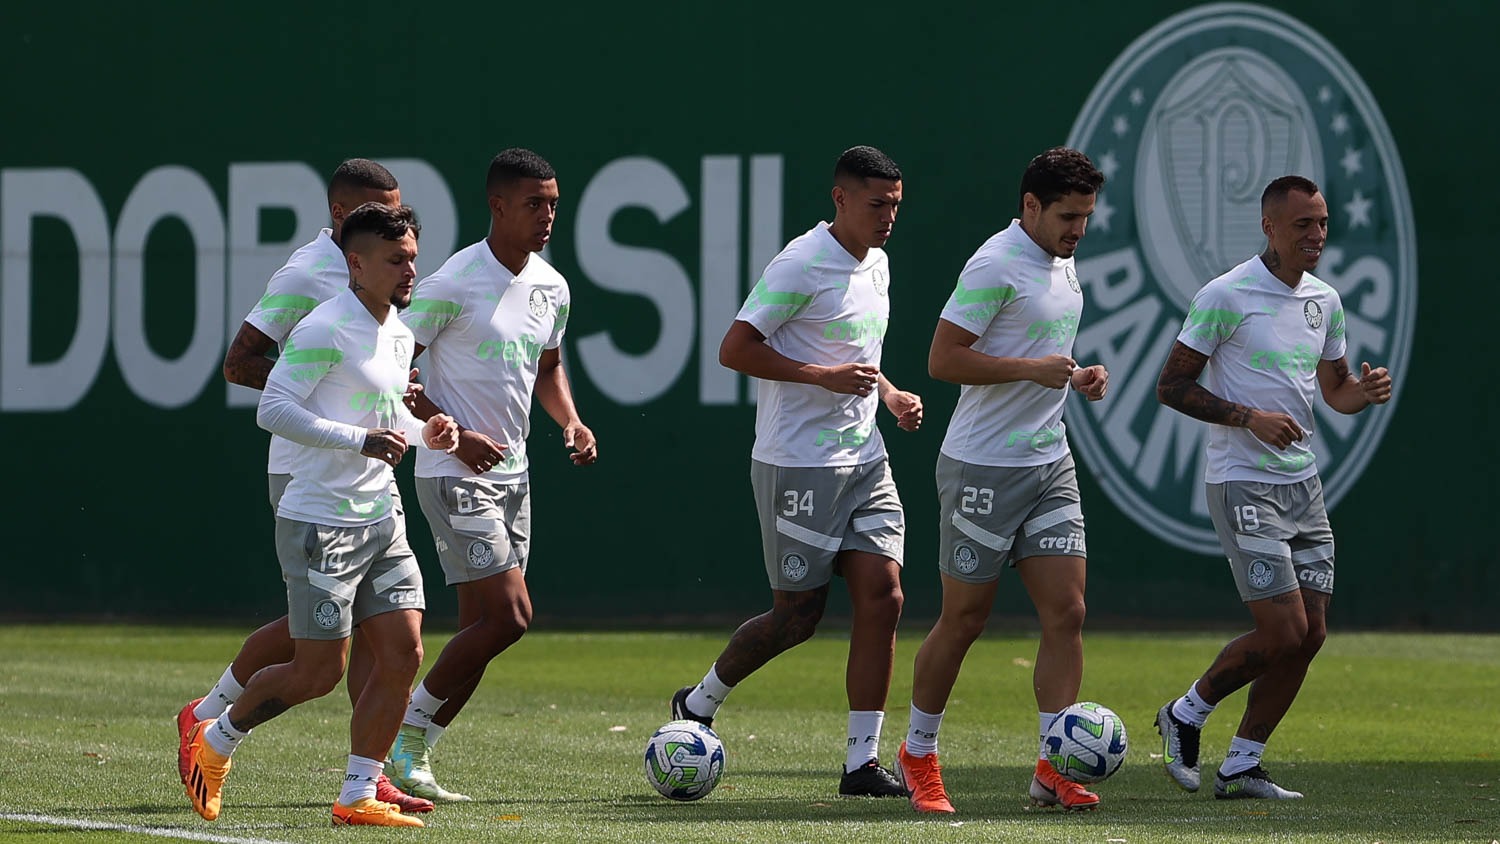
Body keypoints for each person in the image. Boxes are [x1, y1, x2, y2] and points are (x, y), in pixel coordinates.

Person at [182, 202, 459, 827]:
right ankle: (215, 739)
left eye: (413, 258)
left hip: (381, 517)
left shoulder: (397, 331)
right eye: (395, 260)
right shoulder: (323, 327)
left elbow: (384, 416)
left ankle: (358, 792)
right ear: (356, 264)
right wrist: (360, 441)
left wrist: (427, 432)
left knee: (403, 651)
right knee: (317, 672)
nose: (409, 270)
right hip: (320, 521)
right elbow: (273, 408)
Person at [670, 145, 924, 798]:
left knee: (885, 595)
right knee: (797, 617)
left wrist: (889, 394)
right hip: (799, 464)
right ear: (840, 198)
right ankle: (699, 701)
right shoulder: (801, 263)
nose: (888, 216)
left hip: (865, 458)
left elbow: (860, 353)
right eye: (877, 204)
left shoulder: (879, 263)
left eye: (896, 205)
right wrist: (822, 377)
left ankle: (861, 763)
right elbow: (735, 349)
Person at [1153, 175, 1393, 800]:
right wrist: (1247, 417)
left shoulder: (1325, 301)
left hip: (1303, 487)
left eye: (1322, 223)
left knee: (1311, 635)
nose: (1316, 235)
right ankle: (1186, 712)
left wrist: (1362, 394)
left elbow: (1335, 391)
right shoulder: (1225, 295)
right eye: (1302, 224)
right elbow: (1170, 387)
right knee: (1283, 631)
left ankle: (1242, 763)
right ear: (1269, 227)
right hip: (1243, 483)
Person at [894, 148, 1109, 814]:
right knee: (964, 619)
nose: (1078, 230)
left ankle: (1053, 766)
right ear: (1031, 207)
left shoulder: (1063, 261)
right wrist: (1029, 369)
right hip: (981, 467)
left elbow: (1041, 352)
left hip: (1049, 463)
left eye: (1086, 217)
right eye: (1067, 217)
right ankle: (917, 754)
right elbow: (942, 359)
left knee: (1068, 613)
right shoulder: (994, 263)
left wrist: (1076, 375)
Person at [385, 148, 598, 803]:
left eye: (554, 204)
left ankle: (412, 755)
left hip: (514, 476)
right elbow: (391, 371)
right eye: (534, 204)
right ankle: (400, 733)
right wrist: (453, 431)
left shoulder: (553, 287)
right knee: (512, 617)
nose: (547, 216)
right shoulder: (452, 282)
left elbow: (548, 367)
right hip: (452, 471)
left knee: (482, 631)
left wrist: (571, 421)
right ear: (497, 206)